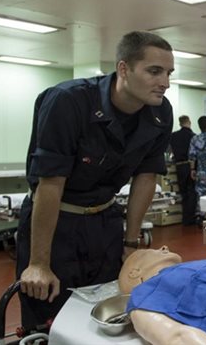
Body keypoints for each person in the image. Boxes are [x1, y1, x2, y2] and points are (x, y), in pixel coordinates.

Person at [16, 31, 175, 329]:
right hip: (57, 222)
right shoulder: (68, 101)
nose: (164, 82)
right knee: (49, 319)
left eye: (168, 73)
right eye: (154, 71)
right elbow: (50, 184)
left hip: (105, 223)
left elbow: (146, 176)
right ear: (124, 69)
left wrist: (130, 241)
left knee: (104, 310)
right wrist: (38, 263)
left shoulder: (160, 113)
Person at [170, 115, 197, 225]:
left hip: (179, 166)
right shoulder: (194, 137)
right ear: (189, 122)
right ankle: (190, 218)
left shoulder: (173, 136)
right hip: (190, 166)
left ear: (180, 123)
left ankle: (185, 218)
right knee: (192, 192)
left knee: (183, 192)